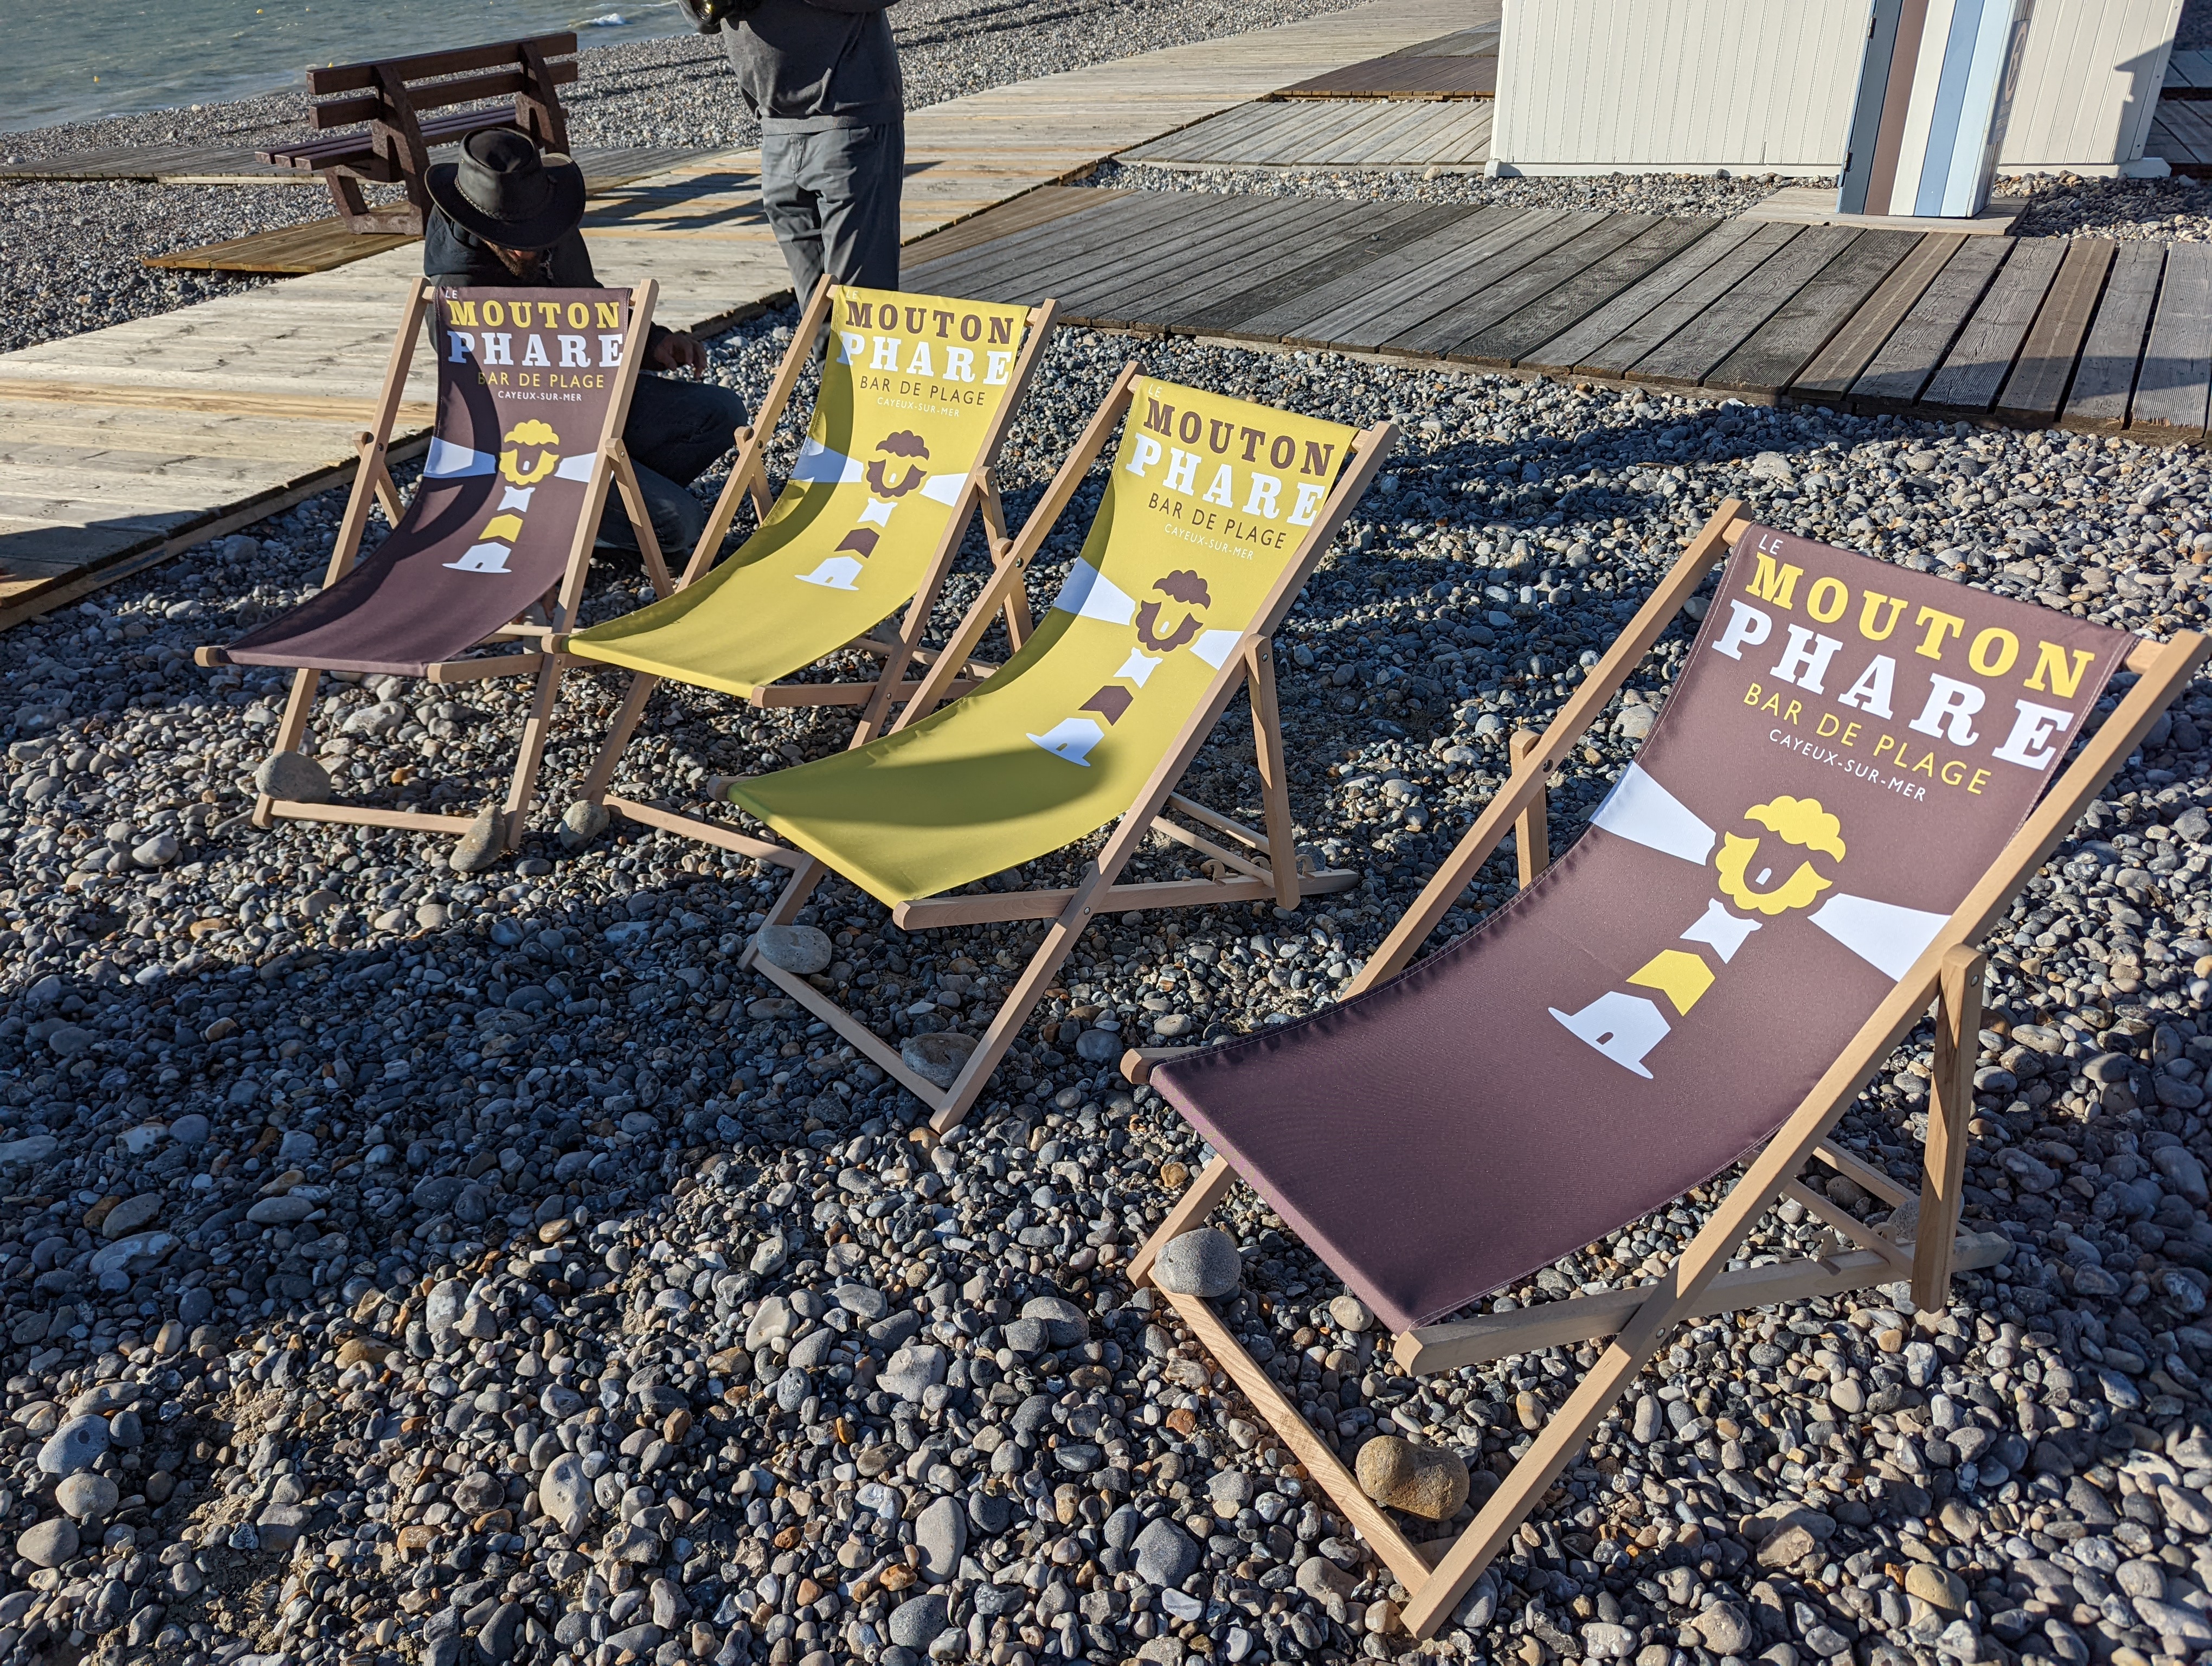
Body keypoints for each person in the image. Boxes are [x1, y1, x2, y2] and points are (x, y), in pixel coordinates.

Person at [423, 128, 749, 562]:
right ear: (474, 223)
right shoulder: (457, 296)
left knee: (722, 413)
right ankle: (568, 525)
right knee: (679, 523)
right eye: (510, 239)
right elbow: (494, 417)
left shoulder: (547, 226)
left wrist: (653, 342)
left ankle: (609, 514)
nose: (525, 251)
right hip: (533, 445)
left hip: (591, 404)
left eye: (532, 236)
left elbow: (589, 304)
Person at [695, 0, 904, 302]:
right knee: (817, 314)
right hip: (776, 129)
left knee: (860, 306)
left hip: (849, 120)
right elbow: (702, 19)